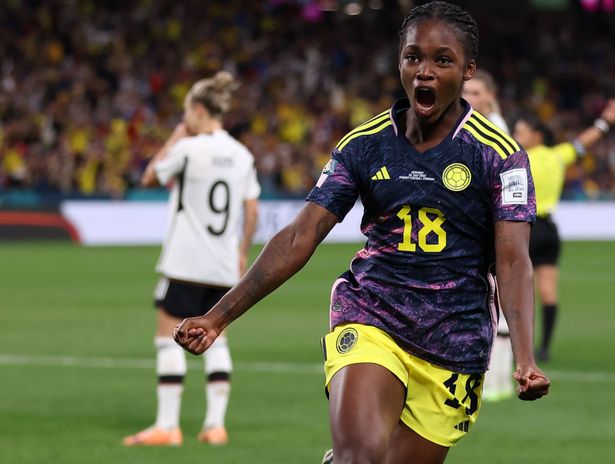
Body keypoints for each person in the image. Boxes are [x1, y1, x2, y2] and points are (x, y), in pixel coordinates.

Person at [174, 3, 550, 463]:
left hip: (455, 343)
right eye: (413, 58)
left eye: (442, 60)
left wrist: (525, 358)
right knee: (360, 458)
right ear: (399, 62)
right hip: (373, 316)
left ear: (468, 69)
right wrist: (217, 317)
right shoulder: (364, 144)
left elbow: (512, 259)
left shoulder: (499, 156)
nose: (424, 72)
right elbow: (301, 235)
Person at [123, 71, 261, 446]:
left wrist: (176, 134)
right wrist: (242, 252)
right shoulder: (242, 155)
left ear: (198, 111)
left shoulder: (188, 148)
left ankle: (167, 427)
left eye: (187, 114)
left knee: (167, 339)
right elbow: (252, 212)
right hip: (222, 263)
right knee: (219, 339)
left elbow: (149, 178)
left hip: (185, 261)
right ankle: (215, 426)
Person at [513, 100, 615, 362]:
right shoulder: (558, 155)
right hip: (549, 229)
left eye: (521, 131)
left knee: (512, 290)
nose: (516, 136)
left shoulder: (516, 156)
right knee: (548, 293)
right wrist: (604, 122)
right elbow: (585, 141)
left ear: (536, 135)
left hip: (522, 228)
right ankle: (545, 348)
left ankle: (512, 346)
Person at [462, 69, 515, 402]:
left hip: (492, 231)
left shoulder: (496, 132)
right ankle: (494, 379)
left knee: (495, 302)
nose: (469, 97)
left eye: (476, 92)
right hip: (469, 230)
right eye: (466, 91)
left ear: (489, 98)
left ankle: (495, 380)